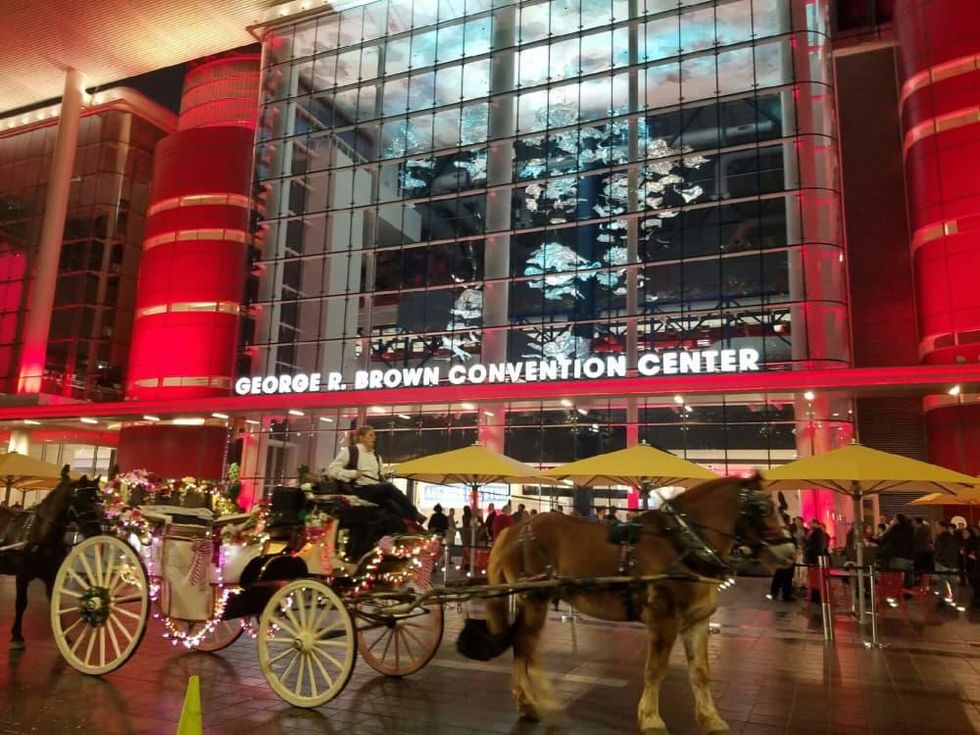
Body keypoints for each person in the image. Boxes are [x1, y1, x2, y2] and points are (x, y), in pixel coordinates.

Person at [328, 426, 425, 526]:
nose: (374, 438)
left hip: (376, 491)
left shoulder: (377, 457)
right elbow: (332, 469)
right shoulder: (350, 451)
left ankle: (412, 526)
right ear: (361, 438)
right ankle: (416, 514)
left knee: (393, 506)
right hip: (360, 489)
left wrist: (384, 477)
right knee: (388, 487)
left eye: (374, 435)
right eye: (371, 435)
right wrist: (353, 473)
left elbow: (380, 476)